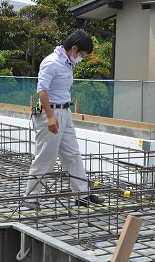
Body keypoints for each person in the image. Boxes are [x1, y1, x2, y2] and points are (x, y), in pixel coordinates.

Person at [24, 29, 104, 209]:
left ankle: (82, 195)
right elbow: (42, 91)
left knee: (72, 155)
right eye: (82, 54)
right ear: (74, 49)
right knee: (46, 156)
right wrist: (51, 117)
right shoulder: (51, 62)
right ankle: (31, 197)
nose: (82, 57)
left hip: (64, 112)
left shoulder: (66, 63)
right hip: (50, 113)